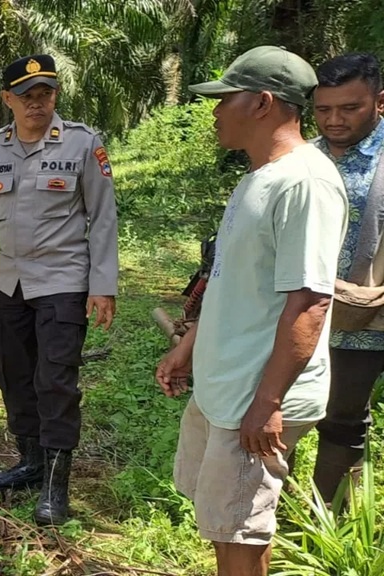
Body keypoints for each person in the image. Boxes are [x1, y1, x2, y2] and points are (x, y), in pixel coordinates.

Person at [155, 45, 347, 576]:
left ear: (262, 103)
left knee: (242, 532)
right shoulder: (256, 178)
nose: (215, 111)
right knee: (224, 522)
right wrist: (189, 350)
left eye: (224, 99)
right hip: (228, 385)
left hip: (255, 398)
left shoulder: (304, 182)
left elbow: (309, 301)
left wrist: (267, 402)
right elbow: (228, 282)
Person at [0, 54, 118, 526]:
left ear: (55, 96)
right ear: (7, 100)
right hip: (10, 284)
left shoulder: (82, 144)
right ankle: (30, 462)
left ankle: (55, 488)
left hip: (63, 281)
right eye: (26, 96)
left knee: (55, 381)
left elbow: (103, 218)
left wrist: (103, 286)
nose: (37, 104)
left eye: (45, 94)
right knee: (13, 375)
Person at [309, 52, 384, 506]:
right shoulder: (304, 154)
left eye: (348, 108)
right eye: (323, 109)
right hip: (302, 314)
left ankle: (329, 523)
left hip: (368, 321)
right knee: (290, 410)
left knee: (344, 418)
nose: (334, 120)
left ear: (379, 101)